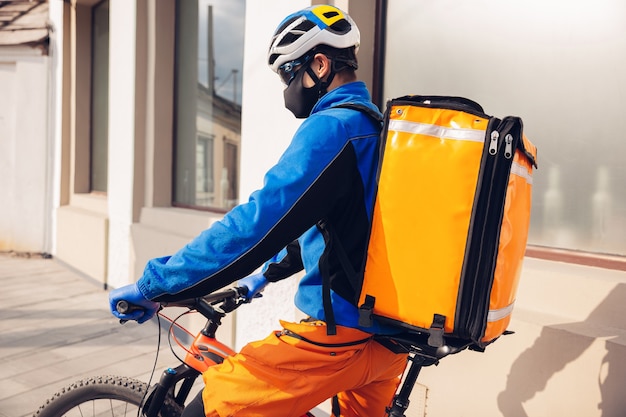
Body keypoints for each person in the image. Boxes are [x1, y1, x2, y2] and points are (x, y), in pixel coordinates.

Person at [109, 5, 408, 417]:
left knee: (207, 410)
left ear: (319, 65)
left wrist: (155, 286)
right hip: (387, 344)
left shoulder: (333, 128)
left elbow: (256, 223)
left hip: (337, 341)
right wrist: (264, 275)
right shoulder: (374, 127)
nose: (286, 88)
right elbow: (339, 227)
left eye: (288, 74)